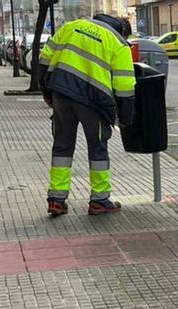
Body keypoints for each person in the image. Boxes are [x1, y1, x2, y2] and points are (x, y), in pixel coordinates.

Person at [37, 14, 136, 216]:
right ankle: (99, 200)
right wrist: (125, 119)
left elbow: (44, 59)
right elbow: (125, 86)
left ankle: (56, 199)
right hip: (93, 102)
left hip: (62, 94)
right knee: (98, 148)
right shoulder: (118, 42)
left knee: (62, 145)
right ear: (123, 30)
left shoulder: (71, 26)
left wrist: (47, 92)